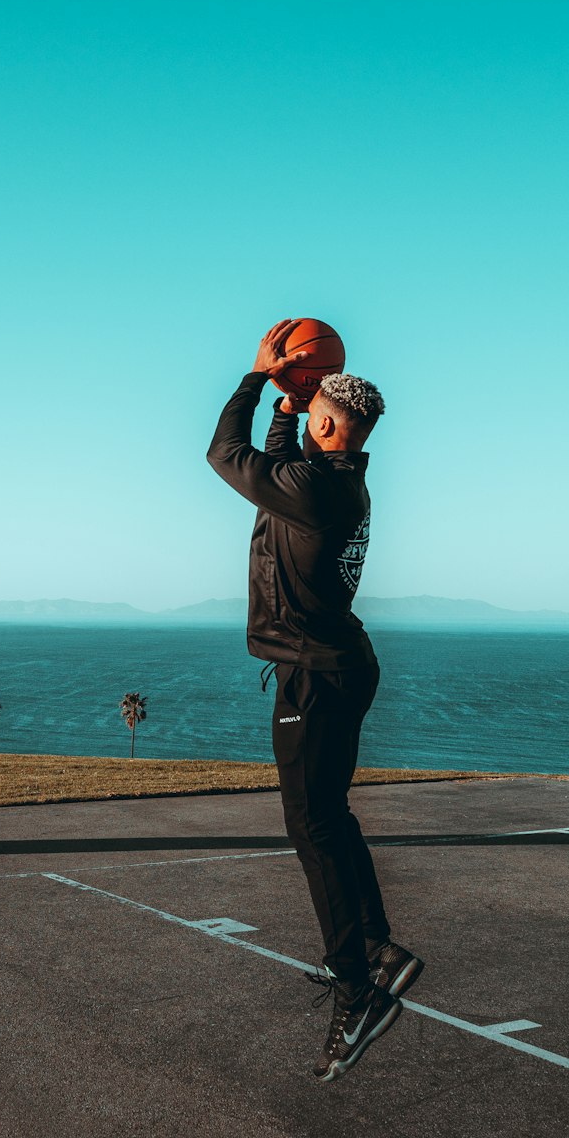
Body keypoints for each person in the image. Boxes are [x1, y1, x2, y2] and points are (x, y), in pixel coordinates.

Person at [206, 319, 423, 1083]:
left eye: (309, 407)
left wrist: (252, 378)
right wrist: (289, 407)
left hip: (316, 676)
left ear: (330, 421)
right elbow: (273, 462)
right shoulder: (328, 479)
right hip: (336, 666)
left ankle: (355, 989)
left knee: (311, 827)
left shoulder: (315, 491)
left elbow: (225, 458)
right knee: (332, 816)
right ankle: (376, 946)